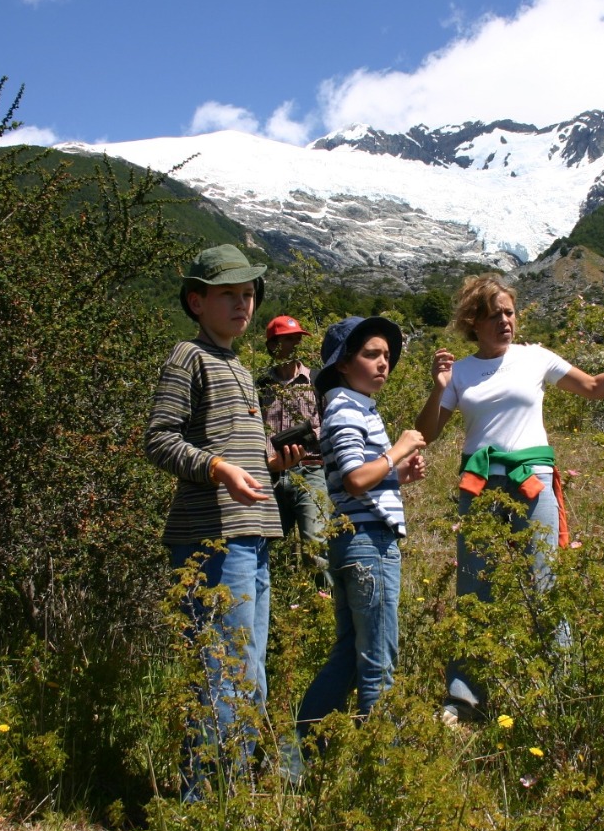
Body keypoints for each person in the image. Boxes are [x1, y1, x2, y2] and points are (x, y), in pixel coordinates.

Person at [414, 274, 604, 724]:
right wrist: (438, 385)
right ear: (474, 321)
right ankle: (465, 700)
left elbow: (593, 387)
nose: (505, 321)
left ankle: (560, 690)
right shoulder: (461, 372)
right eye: (495, 315)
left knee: (545, 581)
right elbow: (427, 434)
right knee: (476, 587)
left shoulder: (535, 358)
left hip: (534, 481)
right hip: (480, 484)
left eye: (509, 312)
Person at [142, 245, 302, 798]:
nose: (243, 303)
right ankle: (202, 802)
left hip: (252, 533)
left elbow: (238, 452)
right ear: (196, 300)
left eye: (249, 293)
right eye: (229, 293)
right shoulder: (188, 357)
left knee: (247, 665)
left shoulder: (236, 364)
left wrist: (270, 463)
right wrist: (217, 468)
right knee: (222, 668)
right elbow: (159, 440)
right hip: (212, 536)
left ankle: (232, 793)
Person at [296, 317, 426, 746]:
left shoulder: (354, 406)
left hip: (356, 537)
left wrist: (397, 475)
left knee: (351, 657)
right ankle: (380, 774)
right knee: (378, 662)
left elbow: (356, 481)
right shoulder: (346, 408)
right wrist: (397, 452)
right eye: (372, 355)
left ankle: (293, 756)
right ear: (343, 364)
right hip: (370, 543)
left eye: (387, 356)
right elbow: (354, 478)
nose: (384, 364)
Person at [257, 315, 330, 583]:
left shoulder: (317, 380)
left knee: (316, 546)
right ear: (273, 346)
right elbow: (256, 428)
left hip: (311, 472)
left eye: (298, 338)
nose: (296, 344)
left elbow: (330, 423)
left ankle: (324, 606)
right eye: (289, 339)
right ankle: (279, 608)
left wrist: (309, 438)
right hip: (272, 476)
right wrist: (269, 459)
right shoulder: (260, 386)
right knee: (266, 547)